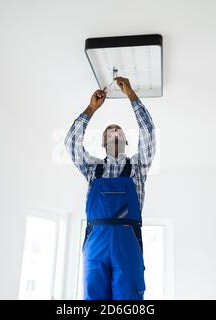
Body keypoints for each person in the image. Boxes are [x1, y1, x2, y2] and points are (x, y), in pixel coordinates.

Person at [65, 77, 156, 300]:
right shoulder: (92, 167)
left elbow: (149, 131)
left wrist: (131, 95)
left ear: (126, 141)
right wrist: (91, 109)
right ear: (104, 143)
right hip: (95, 244)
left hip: (127, 244)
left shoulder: (138, 165)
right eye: (109, 131)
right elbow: (70, 143)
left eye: (119, 130)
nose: (114, 130)